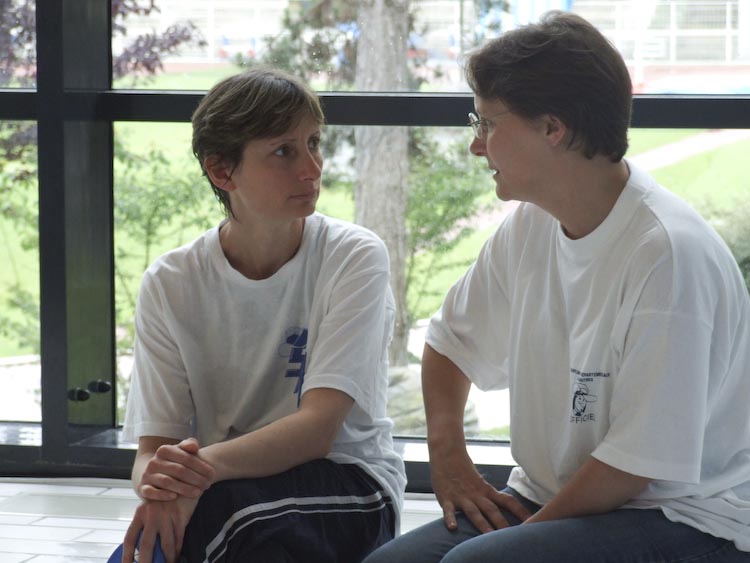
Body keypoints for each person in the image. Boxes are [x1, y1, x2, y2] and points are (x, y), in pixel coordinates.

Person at [364, 10, 750, 563]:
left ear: (552, 128)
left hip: (683, 516)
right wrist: (449, 460)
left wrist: (511, 540)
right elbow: (450, 344)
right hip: (554, 498)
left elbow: (633, 467)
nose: (477, 146)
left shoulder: (667, 255)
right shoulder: (531, 224)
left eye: (487, 124)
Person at [110, 67, 406, 563]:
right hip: (224, 485)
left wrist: (194, 476)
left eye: (314, 143)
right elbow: (152, 450)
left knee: (220, 521)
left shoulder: (354, 256)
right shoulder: (170, 282)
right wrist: (162, 484)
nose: (312, 168)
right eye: (284, 151)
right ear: (222, 171)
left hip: (350, 484)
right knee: (165, 539)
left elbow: (317, 430)